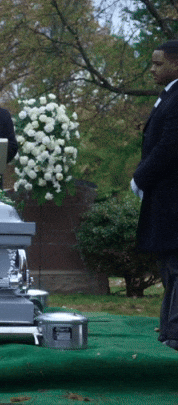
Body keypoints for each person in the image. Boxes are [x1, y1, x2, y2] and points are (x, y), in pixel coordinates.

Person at [131, 40, 178, 351]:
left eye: (159, 63)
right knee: (169, 267)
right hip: (166, 196)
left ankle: (175, 332)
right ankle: (169, 329)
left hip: (173, 196)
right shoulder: (169, 95)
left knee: (176, 266)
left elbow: (169, 146)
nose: (152, 69)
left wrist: (140, 177)